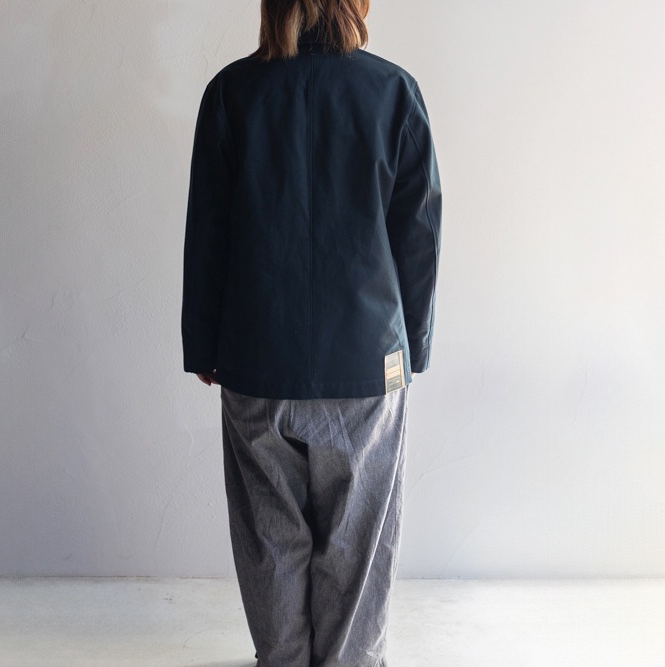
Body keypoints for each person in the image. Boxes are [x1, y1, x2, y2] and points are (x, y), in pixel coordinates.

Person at [181, 1, 441, 664]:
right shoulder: (392, 92)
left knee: (271, 542)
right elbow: (419, 235)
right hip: (367, 363)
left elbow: (208, 232)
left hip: (256, 358)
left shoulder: (230, 94)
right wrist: (412, 345)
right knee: (357, 546)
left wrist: (204, 343)